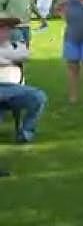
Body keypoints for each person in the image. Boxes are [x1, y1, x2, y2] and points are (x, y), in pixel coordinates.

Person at [0, 15, 47, 144]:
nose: (3, 32)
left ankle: (26, 133)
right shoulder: (15, 49)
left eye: (5, 28)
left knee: (38, 96)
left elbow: (26, 55)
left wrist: (5, 59)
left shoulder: (16, 45)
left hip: (16, 90)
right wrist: (12, 59)